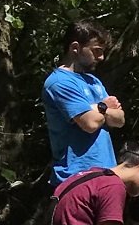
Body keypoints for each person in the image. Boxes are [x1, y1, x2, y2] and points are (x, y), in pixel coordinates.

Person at [43, 18, 125, 185]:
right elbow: (90, 123)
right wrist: (103, 107)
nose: (101, 57)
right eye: (96, 51)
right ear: (75, 48)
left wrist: (96, 109)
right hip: (76, 177)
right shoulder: (59, 82)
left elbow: (120, 119)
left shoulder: (93, 81)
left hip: (107, 174)